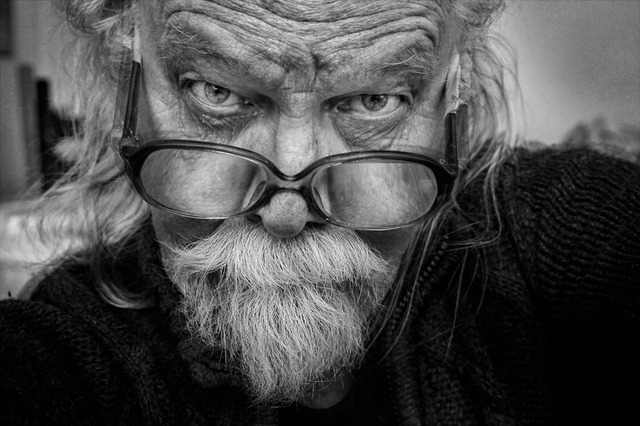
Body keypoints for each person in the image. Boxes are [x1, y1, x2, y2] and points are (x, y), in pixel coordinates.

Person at [1, 0, 639, 424]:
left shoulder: (556, 237)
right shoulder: (66, 348)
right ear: (128, 76)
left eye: (374, 99)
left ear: (456, 91)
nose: (286, 213)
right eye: (214, 91)